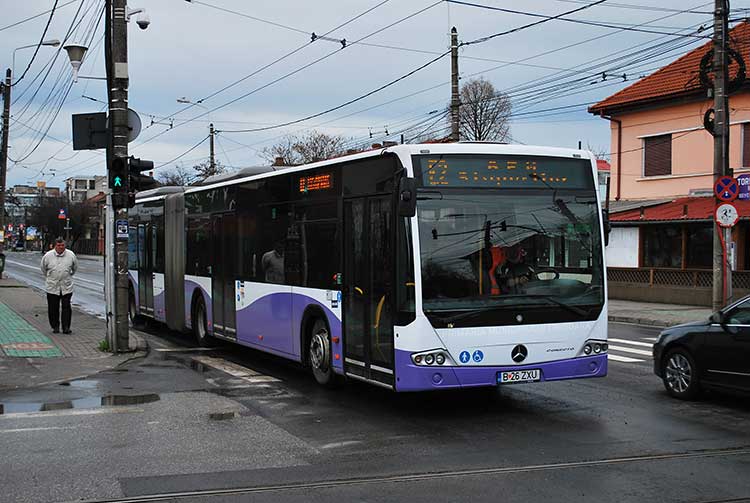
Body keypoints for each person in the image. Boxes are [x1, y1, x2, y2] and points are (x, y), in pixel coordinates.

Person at [40, 238, 78, 334]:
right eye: (58, 245)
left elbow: (74, 268)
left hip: (66, 286)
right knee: (53, 308)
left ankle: (66, 327)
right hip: (52, 286)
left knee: (66, 307)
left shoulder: (71, 255)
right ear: (55, 246)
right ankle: (55, 326)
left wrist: (67, 275)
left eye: (62, 245)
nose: (61, 247)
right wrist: (51, 277)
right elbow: (43, 269)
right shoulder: (48, 256)